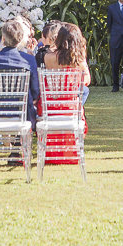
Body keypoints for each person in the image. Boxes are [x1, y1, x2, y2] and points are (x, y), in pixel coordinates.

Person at [39, 23, 91, 164]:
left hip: (52, 106)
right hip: (71, 107)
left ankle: (53, 151)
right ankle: (70, 150)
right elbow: (87, 80)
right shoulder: (78, 61)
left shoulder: (48, 58)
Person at [0, 18, 41, 127]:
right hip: (23, 112)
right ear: (20, 40)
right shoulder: (29, 60)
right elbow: (35, 92)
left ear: (3, 38)